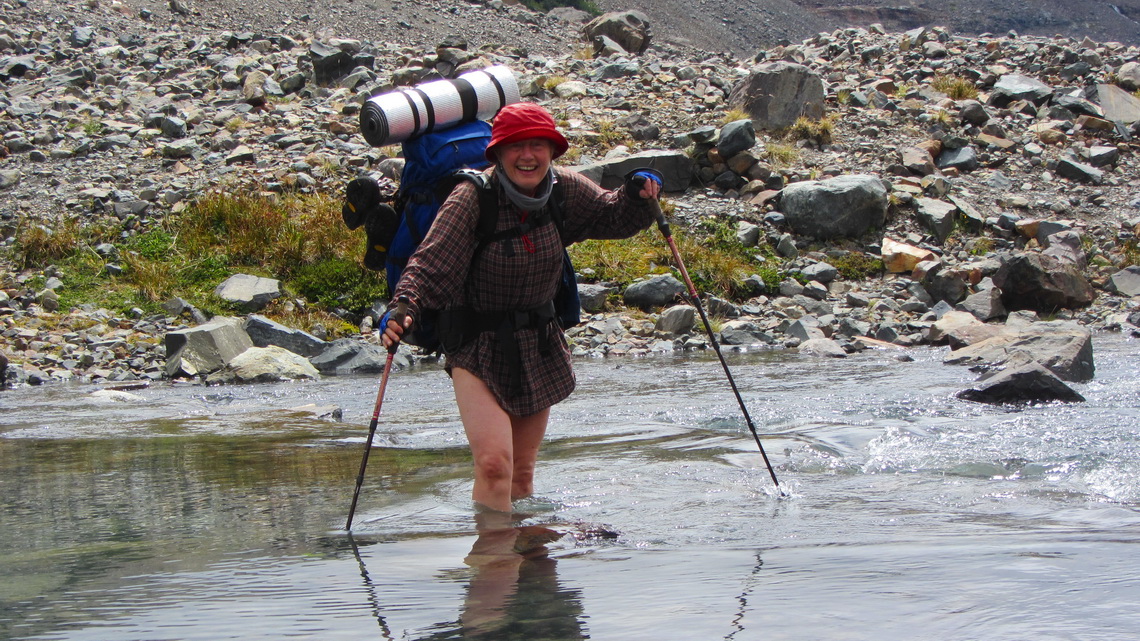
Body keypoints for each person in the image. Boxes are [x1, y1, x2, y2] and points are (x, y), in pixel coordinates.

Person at [381, 101, 661, 514]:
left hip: (538, 339)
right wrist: (405, 305)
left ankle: (527, 569)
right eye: (515, 146)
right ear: (496, 152)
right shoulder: (472, 199)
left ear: (552, 151)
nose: (527, 156)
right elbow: (430, 262)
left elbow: (611, 216)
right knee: (495, 466)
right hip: (475, 343)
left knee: (523, 473)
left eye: (538, 145)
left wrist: (637, 194)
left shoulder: (564, 189)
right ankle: (493, 568)